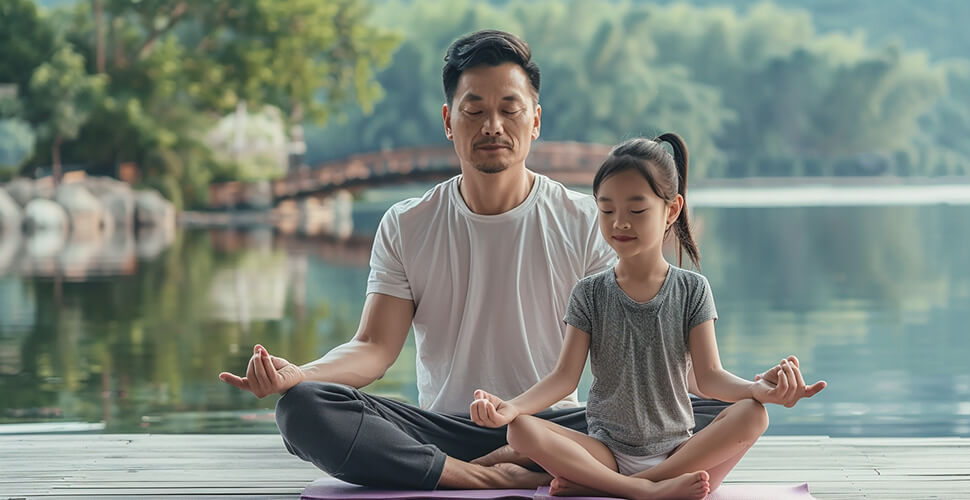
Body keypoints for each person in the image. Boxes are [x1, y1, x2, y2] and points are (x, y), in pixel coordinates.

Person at [218, 30, 820, 491]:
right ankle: (481, 477)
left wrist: (755, 389)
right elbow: (374, 349)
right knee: (304, 410)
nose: (493, 125)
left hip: (567, 428)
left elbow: (654, 353)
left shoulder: (588, 219)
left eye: (510, 108)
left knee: (724, 413)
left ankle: (546, 467)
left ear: (535, 120)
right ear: (449, 121)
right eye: (474, 109)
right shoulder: (406, 223)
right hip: (445, 429)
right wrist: (301, 374)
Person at [469, 133, 827, 500]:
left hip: (681, 455)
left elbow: (709, 377)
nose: (619, 223)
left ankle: (624, 485)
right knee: (520, 431)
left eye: (636, 211)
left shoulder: (692, 289)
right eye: (607, 210)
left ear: (671, 210)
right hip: (605, 453)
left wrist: (756, 390)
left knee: (754, 414)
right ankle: (638, 489)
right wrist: (509, 407)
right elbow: (563, 378)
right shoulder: (589, 292)